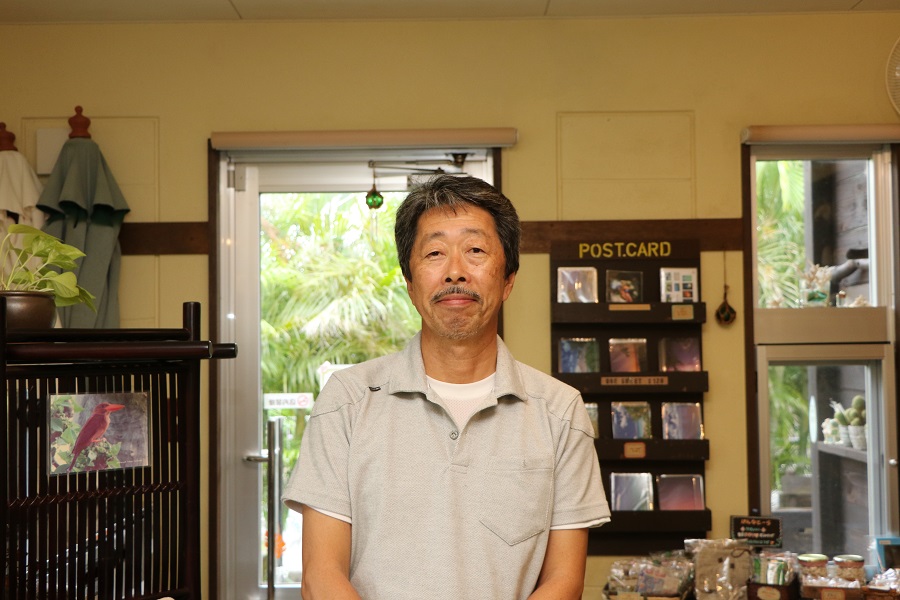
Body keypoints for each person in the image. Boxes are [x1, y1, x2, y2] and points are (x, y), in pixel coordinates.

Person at [283, 174, 610, 600]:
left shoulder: (560, 411)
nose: (455, 271)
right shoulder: (347, 400)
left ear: (508, 280)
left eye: (476, 251)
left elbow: (563, 582)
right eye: (435, 253)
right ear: (410, 284)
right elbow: (321, 576)